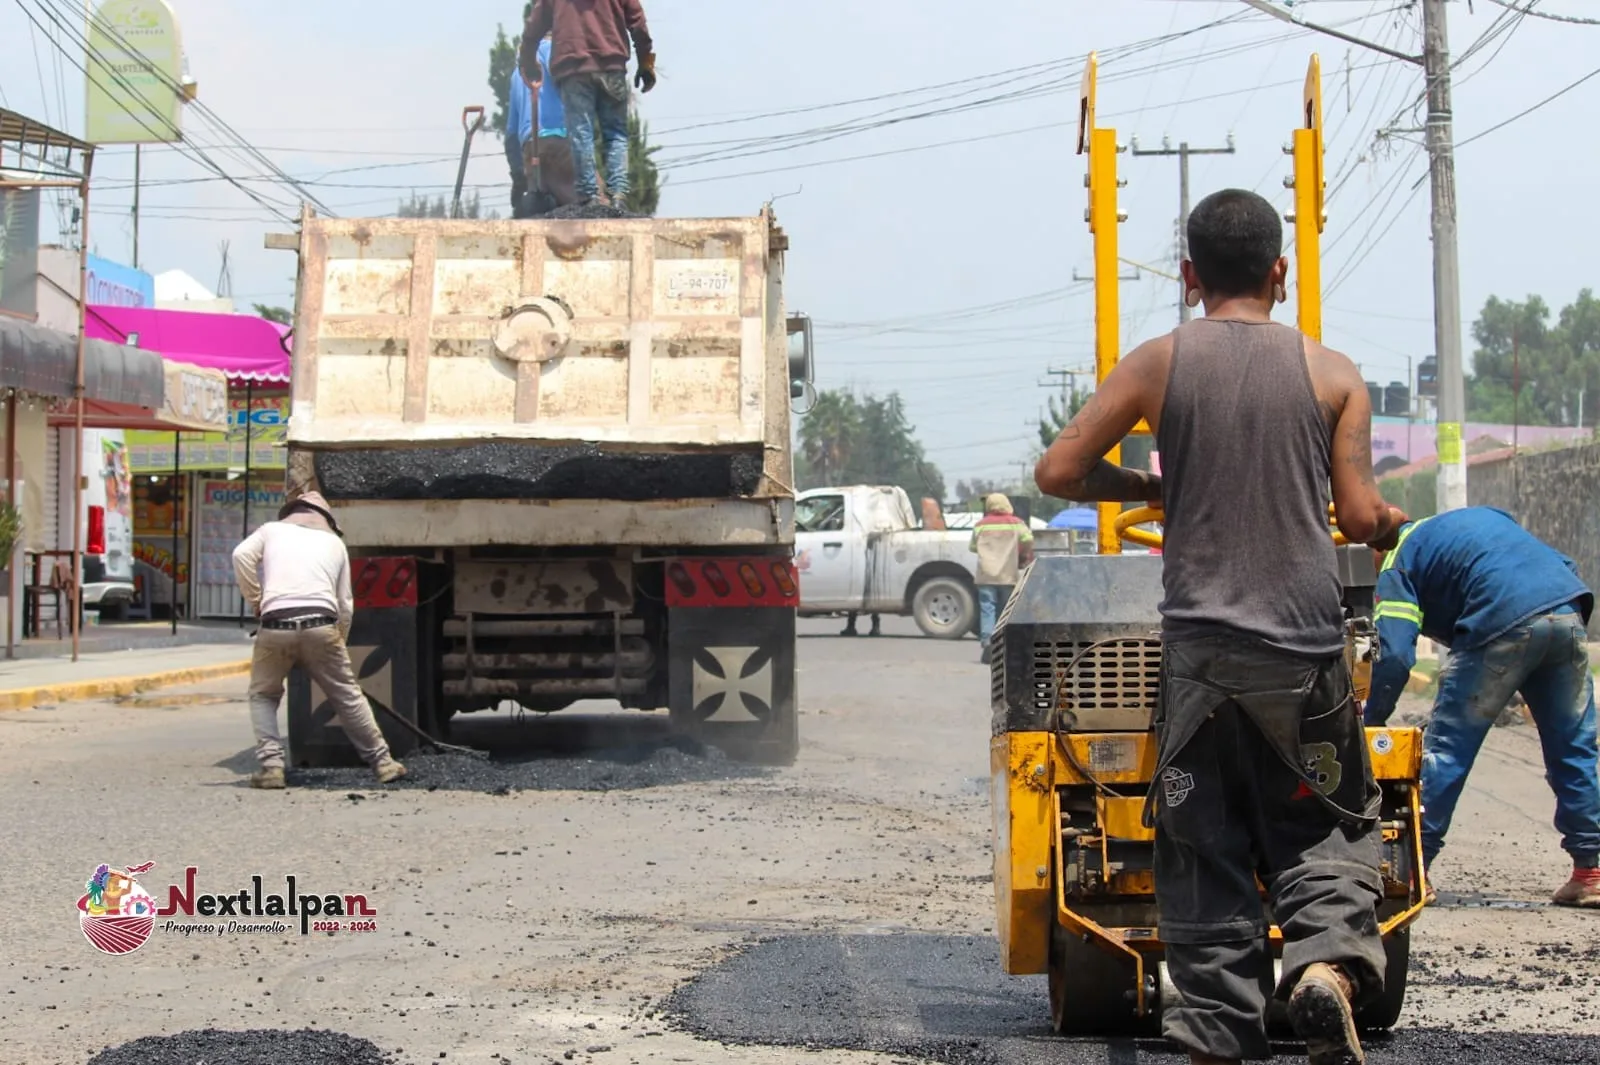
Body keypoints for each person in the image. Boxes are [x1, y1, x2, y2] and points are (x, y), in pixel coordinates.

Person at [1035, 188, 1408, 1065]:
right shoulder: (1334, 374)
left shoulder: (1158, 363)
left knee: (1203, 845)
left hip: (1201, 658)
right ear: (1279, 272)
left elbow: (1059, 470)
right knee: (1325, 825)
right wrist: (1387, 521)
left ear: (1191, 275)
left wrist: (1149, 488)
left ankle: (1213, 1030)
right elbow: (1356, 518)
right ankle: (1322, 971)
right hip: (1304, 653)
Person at [1362, 506, 1599, 907]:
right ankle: (1590, 872)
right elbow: (1558, 564)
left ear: (1378, 547)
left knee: (1446, 750)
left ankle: (1417, 868)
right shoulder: (1477, 519)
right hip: (1567, 611)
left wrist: (1370, 721)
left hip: (1500, 623)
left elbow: (1396, 656)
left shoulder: (1397, 562)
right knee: (1574, 747)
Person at [232, 492, 406, 790]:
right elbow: (345, 605)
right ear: (325, 519)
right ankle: (383, 763)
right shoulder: (334, 543)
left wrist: (257, 602)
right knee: (347, 696)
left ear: (292, 513)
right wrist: (338, 641)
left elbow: (240, 556)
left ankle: (272, 767)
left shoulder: (272, 531)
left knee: (263, 695)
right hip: (322, 624)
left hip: (275, 624)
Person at [521, 0, 655, 210]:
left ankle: (589, 197)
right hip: (612, 64)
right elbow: (638, 23)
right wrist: (646, 63)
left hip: (574, 67)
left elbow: (535, 25)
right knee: (616, 133)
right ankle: (618, 196)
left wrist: (527, 60)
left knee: (581, 132)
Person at [506, 22, 579, 217]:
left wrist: (518, 178)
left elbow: (511, 134)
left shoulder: (516, 75)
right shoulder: (550, 50)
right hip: (558, 142)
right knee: (590, 204)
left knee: (539, 210)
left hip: (530, 148)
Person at [970, 493, 1033, 664]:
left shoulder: (980, 526)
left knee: (987, 609)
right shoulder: (1016, 524)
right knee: (1005, 612)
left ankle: (988, 643)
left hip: (986, 575)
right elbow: (1028, 539)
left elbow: (973, 547)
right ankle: (1003, 645)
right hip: (1007, 574)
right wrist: (1023, 553)